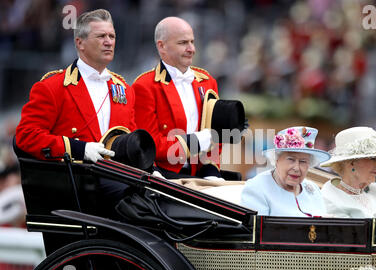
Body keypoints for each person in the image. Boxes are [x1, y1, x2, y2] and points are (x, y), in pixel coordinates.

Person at [15, 9, 136, 163]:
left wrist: (150, 170)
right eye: (101, 36)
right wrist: (79, 149)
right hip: (75, 179)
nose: (109, 42)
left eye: (112, 36)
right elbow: (26, 135)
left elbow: (131, 142)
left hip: (119, 177)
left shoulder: (125, 90)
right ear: (80, 43)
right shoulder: (53, 87)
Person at [132, 17, 222, 180]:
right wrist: (194, 142)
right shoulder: (144, 86)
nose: (191, 49)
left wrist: (211, 170)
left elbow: (215, 135)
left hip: (200, 173)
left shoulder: (208, 82)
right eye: (183, 43)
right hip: (164, 175)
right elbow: (149, 145)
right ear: (162, 46)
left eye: (192, 42)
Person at [240, 127, 331, 217]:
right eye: (291, 159)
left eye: (303, 161)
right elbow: (257, 229)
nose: (296, 168)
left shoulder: (313, 189)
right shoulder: (257, 188)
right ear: (277, 160)